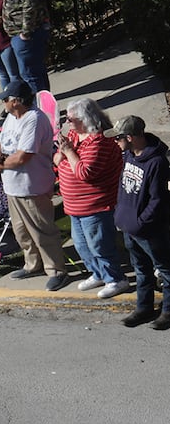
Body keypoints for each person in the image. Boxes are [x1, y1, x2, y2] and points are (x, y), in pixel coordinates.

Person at [0, 80, 69, 291]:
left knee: (42, 230)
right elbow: (0, 139)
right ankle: (33, 264)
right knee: (21, 231)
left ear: (16, 101)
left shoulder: (34, 119)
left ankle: (57, 270)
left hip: (31, 186)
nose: (4, 103)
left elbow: (23, 156)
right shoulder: (11, 116)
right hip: (12, 187)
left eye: (6, 99)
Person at [57, 98, 129, 299]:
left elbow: (84, 173)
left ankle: (115, 279)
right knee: (81, 245)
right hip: (75, 205)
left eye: (71, 119)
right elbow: (56, 160)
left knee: (100, 245)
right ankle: (98, 273)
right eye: (66, 118)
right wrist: (64, 152)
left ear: (85, 118)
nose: (67, 122)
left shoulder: (100, 141)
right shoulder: (74, 134)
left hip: (95, 205)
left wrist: (68, 152)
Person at [109, 116, 170, 329]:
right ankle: (144, 309)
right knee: (141, 269)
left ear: (130, 137)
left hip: (149, 230)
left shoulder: (157, 161)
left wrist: (141, 222)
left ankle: (168, 312)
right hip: (129, 226)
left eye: (118, 138)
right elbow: (123, 187)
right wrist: (121, 215)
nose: (115, 142)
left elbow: (158, 199)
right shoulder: (128, 155)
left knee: (165, 269)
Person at [1, 0, 50, 94]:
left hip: (26, 35)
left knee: (30, 74)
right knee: (37, 71)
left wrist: (25, 33)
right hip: (23, 34)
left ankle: (39, 106)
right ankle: (46, 105)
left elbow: (30, 6)